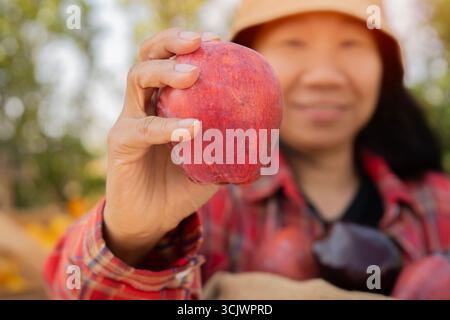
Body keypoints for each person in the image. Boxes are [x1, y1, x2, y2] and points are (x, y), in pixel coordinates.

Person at [44, 0, 450, 299]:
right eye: (293, 43)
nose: (325, 75)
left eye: (351, 45)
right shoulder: (204, 205)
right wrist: (132, 235)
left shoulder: (440, 203)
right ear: (251, 59)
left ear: (385, 67)